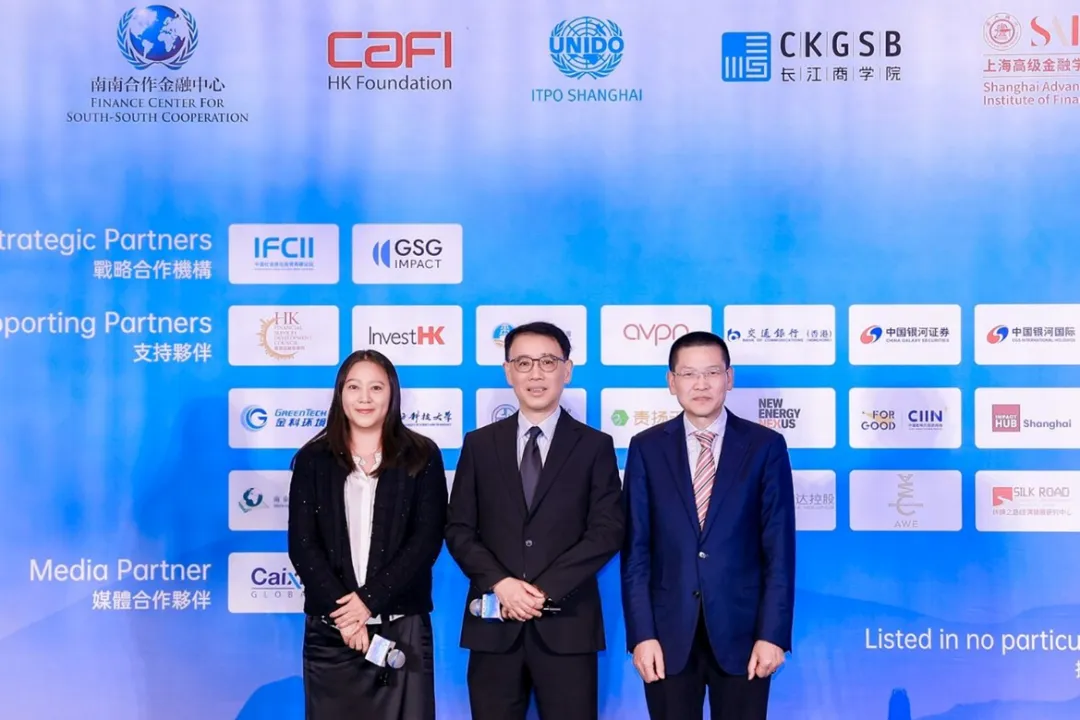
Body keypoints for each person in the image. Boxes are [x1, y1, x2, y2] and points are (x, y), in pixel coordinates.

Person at [445, 321, 624, 720]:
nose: (536, 374)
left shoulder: (595, 446)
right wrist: (503, 585)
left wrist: (543, 591)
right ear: (508, 372)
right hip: (494, 626)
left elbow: (607, 531)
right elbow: (459, 529)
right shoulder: (479, 445)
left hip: (568, 629)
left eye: (547, 361)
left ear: (567, 370)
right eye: (523, 363)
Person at [620, 331, 795, 719]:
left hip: (744, 635)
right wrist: (642, 636)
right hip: (666, 638)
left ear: (729, 378)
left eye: (712, 373)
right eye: (689, 374)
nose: (701, 384)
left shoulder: (765, 446)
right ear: (672, 381)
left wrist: (772, 635)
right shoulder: (646, 447)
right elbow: (636, 552)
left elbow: (779, 551)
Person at [287, 349, 448, 720]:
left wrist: (368, 602)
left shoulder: (422, 456)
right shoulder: (313, 459)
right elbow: (303, 546)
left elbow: (425, 541)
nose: (364, 398)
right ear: (340, 393)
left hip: (401, 630)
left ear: (392, 394)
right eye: (354, 387)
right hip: (331, 634)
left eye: (376, 387)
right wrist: (346, 616)